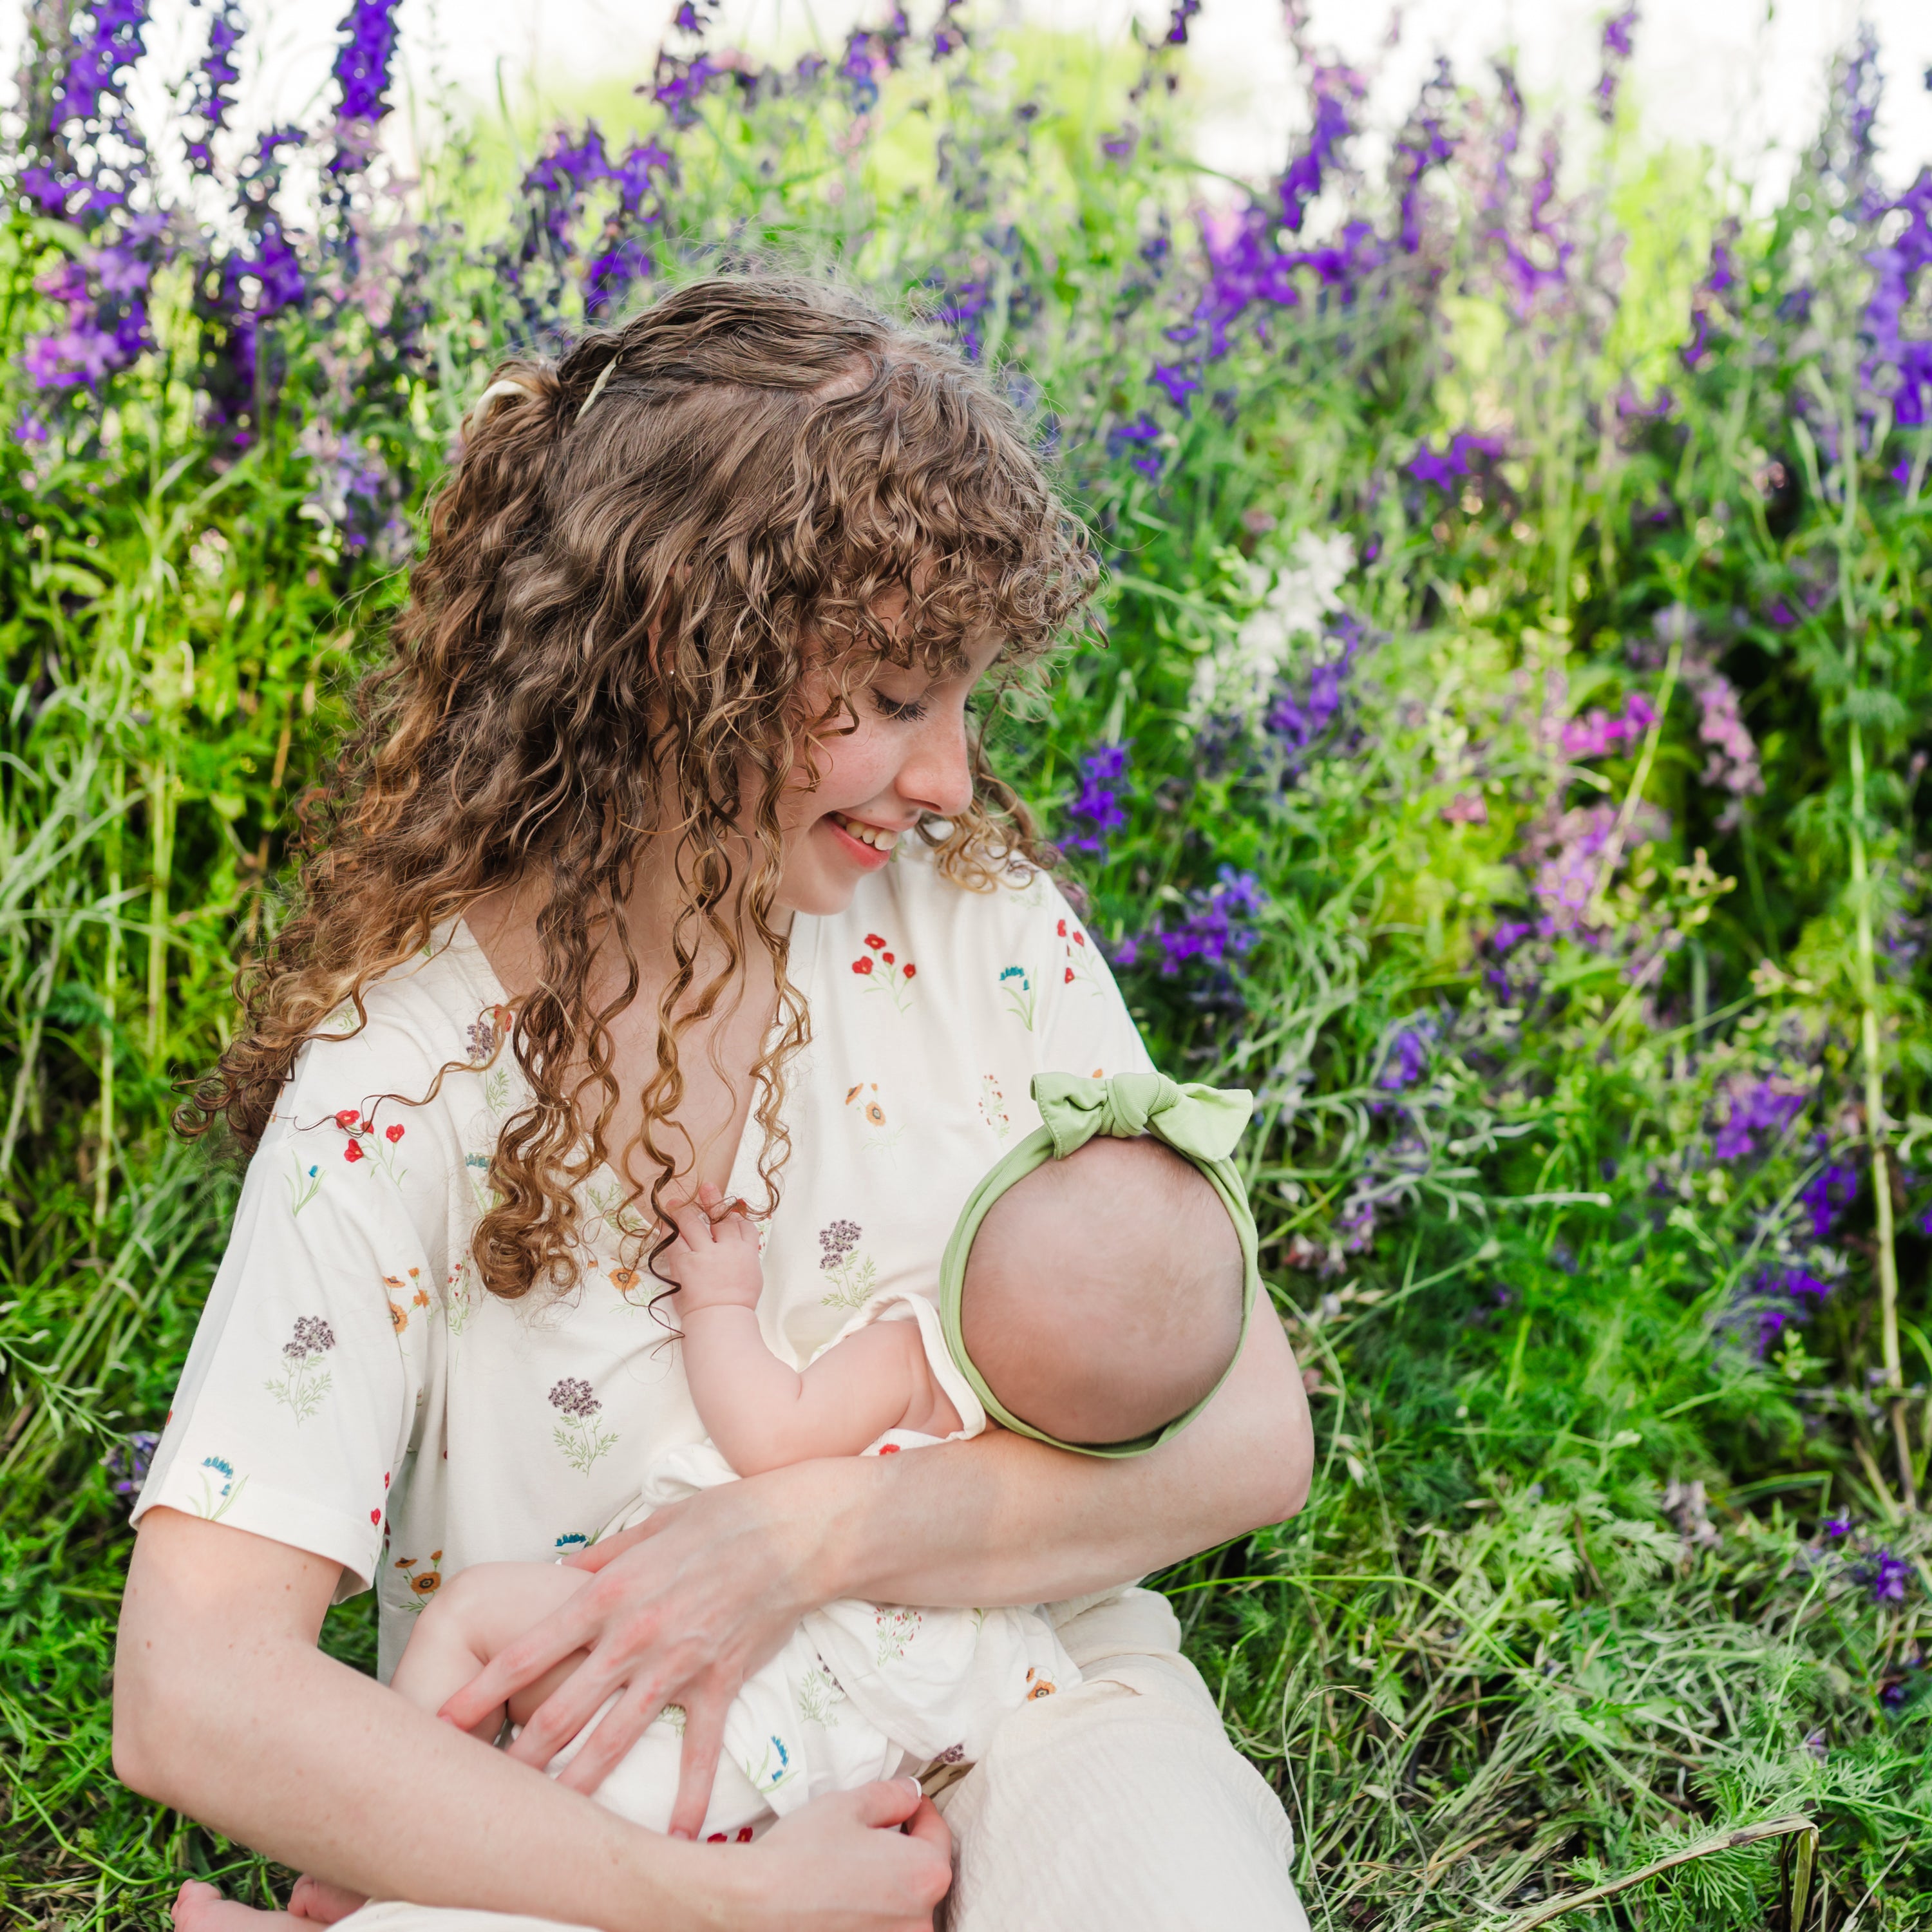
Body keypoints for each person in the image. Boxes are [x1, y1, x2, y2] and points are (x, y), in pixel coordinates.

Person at [115, 274, 1316, 1932]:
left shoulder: (980, 930)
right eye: (896, 700)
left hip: (1032, 1710)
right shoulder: (408, 1084)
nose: (953, 778)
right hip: (608, 1812)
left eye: (962, 701)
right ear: (692, 654)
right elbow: (194, 1687)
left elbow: (1253, 1436)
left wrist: (805, 1535)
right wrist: (719, 1906)